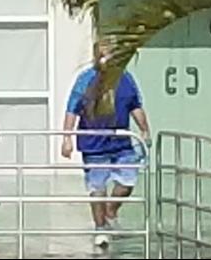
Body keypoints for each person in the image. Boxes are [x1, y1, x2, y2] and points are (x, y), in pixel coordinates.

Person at [61, 39, 150, 251]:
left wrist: (145, 129)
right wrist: (66, 139)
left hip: (121, 142)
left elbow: (135, 106)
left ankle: (110, 210)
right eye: (104, 54)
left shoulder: (125, 79)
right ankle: (100, 228)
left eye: (111, 54)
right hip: (94, 143)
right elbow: (72, 109)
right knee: (97, 189)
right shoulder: (85, 80)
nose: (107, 59)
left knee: (127, 183)